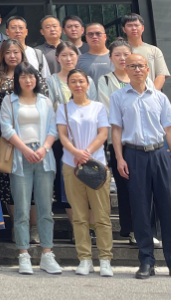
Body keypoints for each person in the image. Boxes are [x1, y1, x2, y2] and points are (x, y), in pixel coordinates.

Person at [111, 54, 171, 281]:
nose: (137, 69)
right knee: (140, 209)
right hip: (133, 155)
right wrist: (119, 158)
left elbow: (169, 130)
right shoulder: (118, 97)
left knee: (167, 208)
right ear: (126, 69)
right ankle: (146, 261)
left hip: (159, 154)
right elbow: (116, 130)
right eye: (132, 66)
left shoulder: (160, 97)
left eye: (141, 66)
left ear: (148, 69)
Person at [0, 62, 61, 275]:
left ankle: (47, 254)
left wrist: (44, 149)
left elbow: (53, 129)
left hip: (44, 156)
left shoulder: (45, 101)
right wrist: (25, 149)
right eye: (23, 76)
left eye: (31, 76)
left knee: (45, 208)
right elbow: (6, 128)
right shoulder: (9, 100)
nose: (28, 80)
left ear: (37, 79)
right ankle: (23, 254)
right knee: (22, 209)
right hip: (20, 156)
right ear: (17, 79)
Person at [56, 67, 113, 277]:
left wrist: (86, 153)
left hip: (96, 165)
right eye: (74, 82)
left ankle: (105, 258)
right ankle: (85, 258)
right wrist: (75, 152)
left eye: (81, 81)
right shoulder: (63, 108)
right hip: (71, 165)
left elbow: (103, 133)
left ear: (88, 84)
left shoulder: (98, 107)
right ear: (68, 85)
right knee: (79, 216)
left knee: (101, 215)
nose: (78, 85)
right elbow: (62, 135)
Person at [97, 38, 153, 243]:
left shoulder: (145, 79)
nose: (122, 58)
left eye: (126, 54)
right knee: (126, 187)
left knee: (146, 188)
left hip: (146, 142)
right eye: (117, 55)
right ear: (110, 58)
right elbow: (108, 111)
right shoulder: (105, 81)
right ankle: (131, 229)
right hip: (120, 142)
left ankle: (148, 229)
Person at [0, 39, 47, 221]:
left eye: (15, 52)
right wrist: (8, 124)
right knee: (8, 181)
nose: (12, 56)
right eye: (7, 52)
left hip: (31, 135)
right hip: (4, 137)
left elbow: (43, 102)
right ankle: (18, 226)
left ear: (22, 54)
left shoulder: (33, 75)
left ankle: (34, 228)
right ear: (2, 55)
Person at [45, 41, 97, 221]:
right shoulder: (51, 81)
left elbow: (94, 107)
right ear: (57, 58)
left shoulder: (88, 80)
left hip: (87, 140)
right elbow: (49, 110)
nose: (68, 59)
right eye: (64, 55)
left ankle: (90, 227)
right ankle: (77, 226)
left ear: (78, 57)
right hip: (62, 140)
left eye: (72, 55)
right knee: (66, 185)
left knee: (89, 181)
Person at [121, 13, 171, 90]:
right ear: (124, 29)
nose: (134, 28)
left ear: (143, 28)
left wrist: (152, 93)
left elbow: (161, 75)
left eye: (136, 25)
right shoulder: (120, 52)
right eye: (130, 25)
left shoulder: (154, 50)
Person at [6, 16, 51, 81]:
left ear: (26, 31)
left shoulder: (37, 54)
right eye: (13, 28)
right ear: (7, 31)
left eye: (21, 28)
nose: (17, 31)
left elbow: (46, 80)